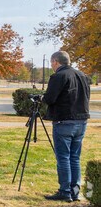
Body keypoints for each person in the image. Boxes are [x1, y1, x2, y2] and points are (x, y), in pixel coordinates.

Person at [42, 50, 90, 202]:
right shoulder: (82, 75)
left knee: (63, 157)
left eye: (51, 63)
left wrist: (42, 97)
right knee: (75, 158)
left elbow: (50, 98)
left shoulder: (59, 76)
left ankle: (65, 191)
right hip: (81, 121)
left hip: (64, 121)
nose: (52, 66)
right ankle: (74, 191)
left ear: (56, 62)